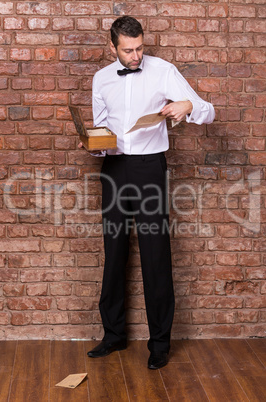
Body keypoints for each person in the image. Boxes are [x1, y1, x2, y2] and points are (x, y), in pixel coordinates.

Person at [83, 16, 215, 369]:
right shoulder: (101, 79)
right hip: (114, 168)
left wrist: (187, 106)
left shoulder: (163, 70)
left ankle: (159, 344)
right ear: (112, 47)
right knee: (114, 251)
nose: (136, 55)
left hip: (149, 168)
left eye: (140, 47)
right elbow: (100, 127)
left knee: (155, 254)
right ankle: (113, 336)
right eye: (128, 50)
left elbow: (208, 110)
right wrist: (96, 145)